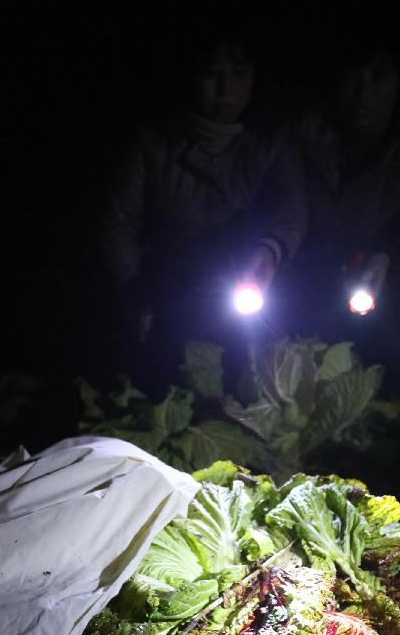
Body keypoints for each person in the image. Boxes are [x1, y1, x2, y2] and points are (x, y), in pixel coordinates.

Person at [101, 27, 306, 395]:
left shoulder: (272, 141)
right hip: (171, 286)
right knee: (165, 383)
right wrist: (138, 299)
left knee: (253, 380)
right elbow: (119, 225)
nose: (226, 89)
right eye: (213, 73)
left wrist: (269, 252)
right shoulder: (152, 142)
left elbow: (290, 207)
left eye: (239, 74)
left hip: (244, 286)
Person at [294, 25, 400, 381]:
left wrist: (387, 258)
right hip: (311, 280)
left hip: (381, 290)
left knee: (392, 346)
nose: (363, 93)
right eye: (354, 77)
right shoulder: (307, 135)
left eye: (379, 78)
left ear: (399, 83)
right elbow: (283, 210)